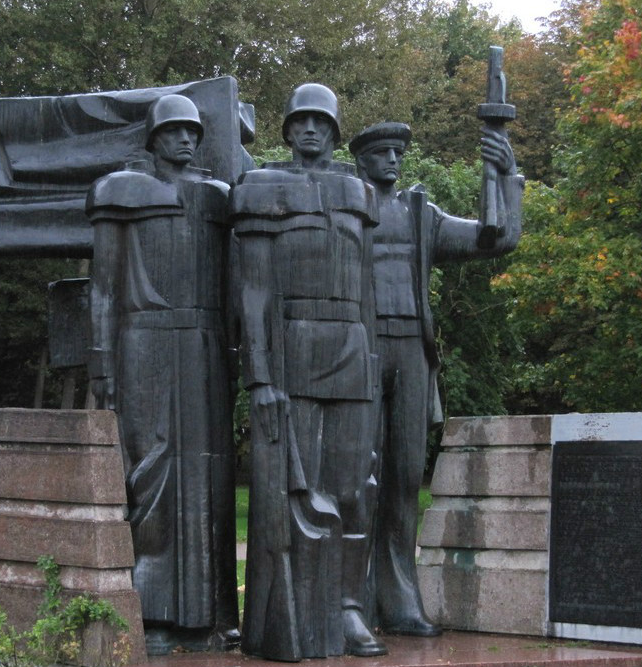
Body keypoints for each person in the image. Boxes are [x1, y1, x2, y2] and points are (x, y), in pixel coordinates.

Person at [230, 83, 386, 661]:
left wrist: (371, 360)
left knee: (352, 487)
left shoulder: (355, 192)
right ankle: (289, 612)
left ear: (334, 131)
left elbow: (367, 288)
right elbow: (254, 292)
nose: (312, 130)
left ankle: (346, 608)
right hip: (293, 346)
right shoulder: (263, 190)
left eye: (322, 121)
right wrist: (260, 377)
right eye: (302, 121)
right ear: (289, 130)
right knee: (296, 490)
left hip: (351, 344)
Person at [348, 121, 522, 636]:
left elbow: (498, 238)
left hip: (410, 351)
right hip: (358, 349)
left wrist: (505, 175)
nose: (393, 161)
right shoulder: (345, 208)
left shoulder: (423, 214)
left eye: (398, 152)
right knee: (357, 477)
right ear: (361, 162)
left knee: (403, 478)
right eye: (382, 153)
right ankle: (350, 597)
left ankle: (399, 595)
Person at [86, 94, 239, 655]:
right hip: (142, 340)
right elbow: (103, 285)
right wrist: (100, 357)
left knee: (208, 477)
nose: (185, 140)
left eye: (192, 132)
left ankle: (208, 616)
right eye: (173, 131)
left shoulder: (217, 197)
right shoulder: (120, 191)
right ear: (153, 138)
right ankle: (153, 611)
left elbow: (239, 280)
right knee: (151, 470)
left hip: (205, 343)